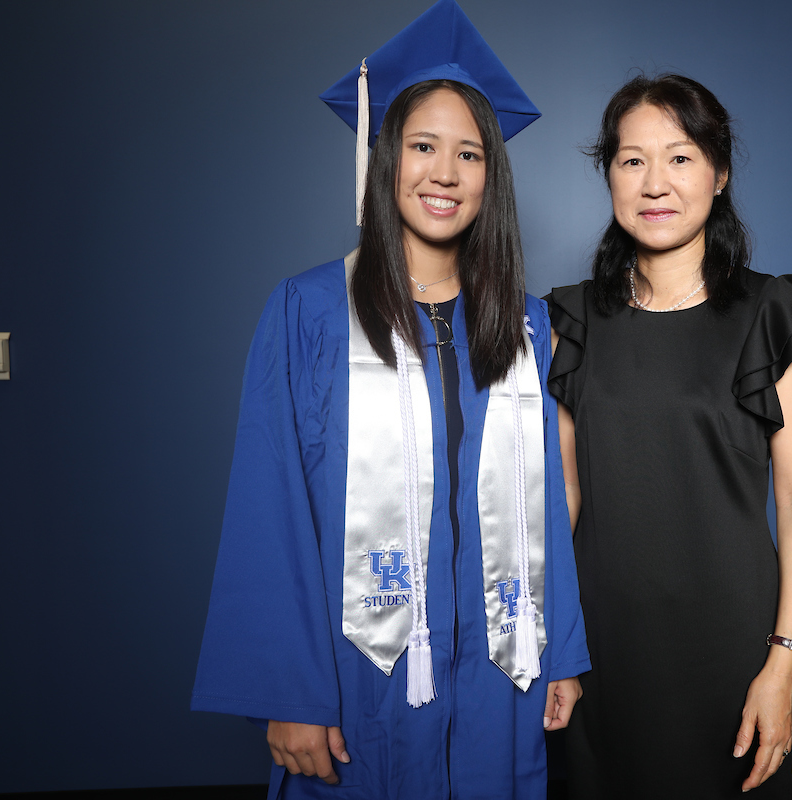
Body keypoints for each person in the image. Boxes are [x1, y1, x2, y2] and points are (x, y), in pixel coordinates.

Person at [192, 2, 590, 798]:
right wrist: (287, 693)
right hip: (355, 674)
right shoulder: (308, 311)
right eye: (422, 146)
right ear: (385, 160)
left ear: (491, 177)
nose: (444, 173)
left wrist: (561, 654)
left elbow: (541, 502)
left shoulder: (524, 323)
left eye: (469, 154)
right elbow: (269, 505)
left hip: (494, 672)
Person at [547, 74, 792, 798]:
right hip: (599, 642)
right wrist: (550, 640)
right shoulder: (569, 323)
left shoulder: (776, 313)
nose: (655, 183)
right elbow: (564, 492)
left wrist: (784, 663)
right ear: (608, 174)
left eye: (679, 157)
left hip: (730, 643)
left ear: (720, 171)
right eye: (631, 159)